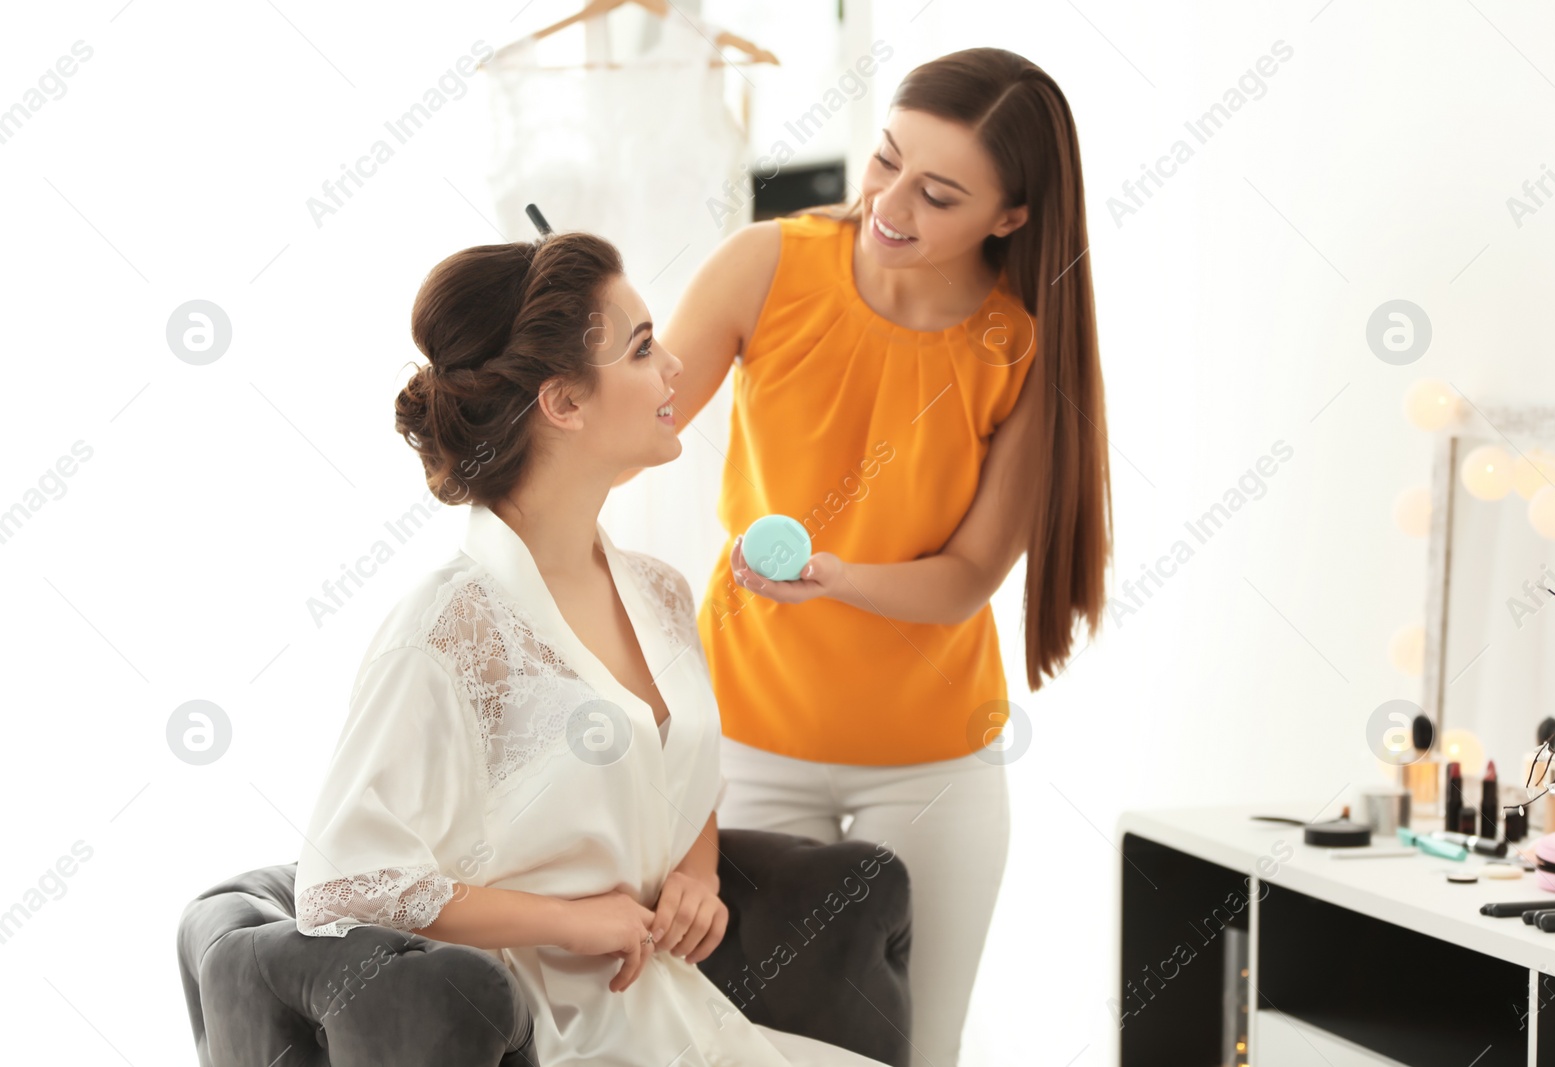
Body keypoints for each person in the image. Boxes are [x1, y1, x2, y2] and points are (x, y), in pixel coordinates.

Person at [293, 233, 891, 1067]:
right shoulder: (450, 626)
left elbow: (678, 773)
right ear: (564, 403)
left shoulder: (660, 592)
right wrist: (569, 919)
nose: (677, 366)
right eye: (644, 347)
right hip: (544, 1028)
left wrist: (696, 872)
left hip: (673, 1007)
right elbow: (343, 879)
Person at [645, 47, 1113, 1065]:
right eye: (885, 162)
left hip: (933, 757)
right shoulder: (766, 263)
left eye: (937, 194)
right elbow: (648, 413)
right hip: (751, 737)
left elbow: (965, 580)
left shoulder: (1017, 345)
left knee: (919, 1047)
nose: (891, 204)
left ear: (1010, 217)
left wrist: (833, 576)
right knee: (745, 1045)